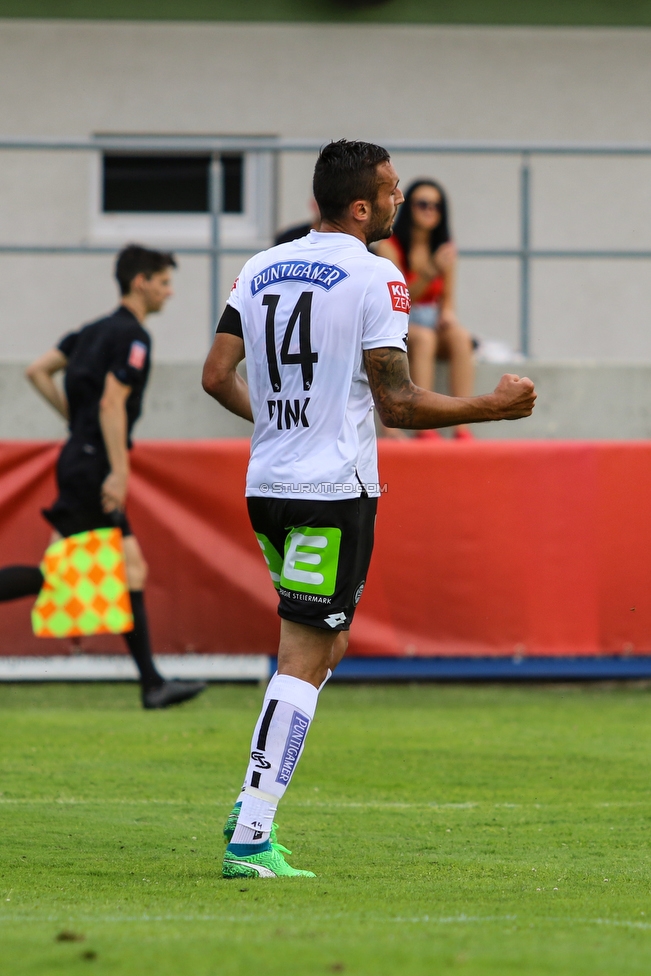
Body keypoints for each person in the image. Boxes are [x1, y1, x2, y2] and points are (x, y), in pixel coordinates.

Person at [202, 140, 536, 879]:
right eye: (388, 191)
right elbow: (397, 400)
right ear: (361, 205)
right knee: (304, 651)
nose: (394, 200)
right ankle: (251, 832)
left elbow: (214, 375)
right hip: (328, 492)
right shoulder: (376, 277)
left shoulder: (260, 266)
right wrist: (492, 406)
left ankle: (252, 799)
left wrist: (278, 426)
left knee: (323, 643)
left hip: (269, 485)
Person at [0, 244, 207, 710]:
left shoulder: (91, 330)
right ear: (141, 282)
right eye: (163, 282)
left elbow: (39, 371)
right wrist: (118, 468)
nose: (169, 293)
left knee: (72, 572)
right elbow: (113, 403)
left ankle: (152, 683)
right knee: (110, 570)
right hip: (95, 465)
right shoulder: (134, 338)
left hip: (79, 455)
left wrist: (75, 423)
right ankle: (152, 684)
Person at [375, 179, 475, 439]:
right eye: (422, 204)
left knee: (460, 337)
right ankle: (424, 424)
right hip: (400, 322)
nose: (430, 210)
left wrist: (447, 315)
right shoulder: (390, 246)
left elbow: (448, 300)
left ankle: (461, 427)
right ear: (409, 208)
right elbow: (401, 299)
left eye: (436, 206)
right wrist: (431, 270)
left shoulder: (443, 248)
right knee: (425, 339)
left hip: (430, 317)